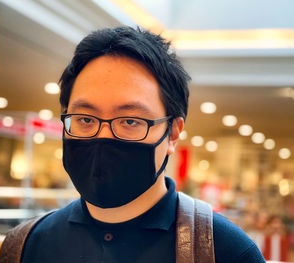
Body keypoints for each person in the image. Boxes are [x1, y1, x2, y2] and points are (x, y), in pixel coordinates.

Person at [14, 27, 265, 262]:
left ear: (173, 134)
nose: (103, 136)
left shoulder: (225, 251)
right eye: (86, 119)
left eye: (131, 121)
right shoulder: (27, 245)